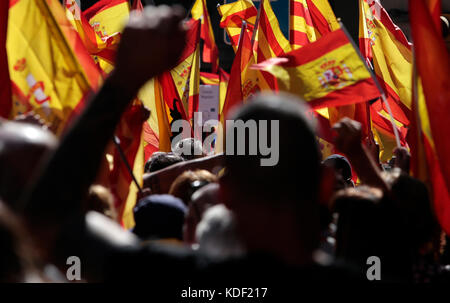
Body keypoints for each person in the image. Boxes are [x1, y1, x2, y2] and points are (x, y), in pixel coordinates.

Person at [16, 6, 360, 290]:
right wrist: (361, 160)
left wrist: (125, 80)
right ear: (325, 185)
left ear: (224, 194)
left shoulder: (172, 278)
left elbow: (45, 217)